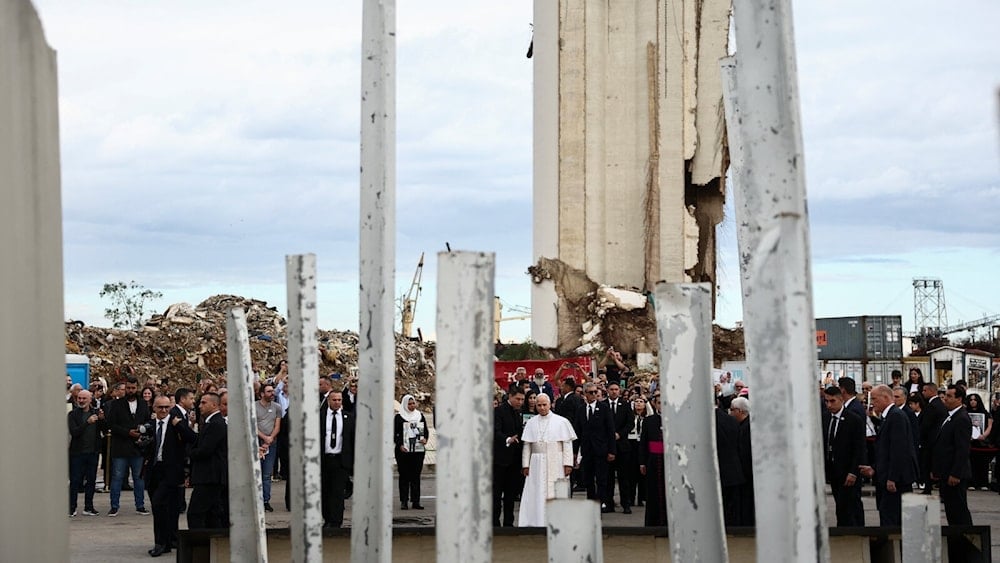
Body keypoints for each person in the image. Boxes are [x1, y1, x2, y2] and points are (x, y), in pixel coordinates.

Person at [145, 395, 196, 557]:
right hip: (154, 470)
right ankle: (168, 540)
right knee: (161, 507)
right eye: (160, 407)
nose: (164, 410)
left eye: (167, 407)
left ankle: (161, 542)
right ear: (154, 408)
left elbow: (192, 438)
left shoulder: (176, 424)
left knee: (160, 504)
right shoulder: (150, 424)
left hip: (171, 472)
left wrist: (179, 425)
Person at [860, 385, 918, 526]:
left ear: (885, 397)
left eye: (874, 399)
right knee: (887, 514)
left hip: (895, 480)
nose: (872, 403)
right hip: (886, 476)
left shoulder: (896, 416)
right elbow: (885, 450)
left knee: (892, 518)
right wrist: (874, 468)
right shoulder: (888, 416)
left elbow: (898, 450)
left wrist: (892, 478)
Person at [518, 394, 577, 526]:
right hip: (536, 463)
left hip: (556, 461)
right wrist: (525, 465)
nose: (542, 408)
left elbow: (567, 444)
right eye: (539, 405)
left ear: (550, 405)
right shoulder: (531, 423)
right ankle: (536, 521)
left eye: (544, 405)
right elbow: (527, 445)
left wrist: (568, 464)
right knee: (536, 491)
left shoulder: (561, 421)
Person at [106, 377, 151, 517]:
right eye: (128, 388)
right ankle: (114, 506)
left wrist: (142, 430)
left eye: (133, 388)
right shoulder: (117, 404)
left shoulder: (143, 404)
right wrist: (128, 432)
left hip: (137, 447)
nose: (131, 390)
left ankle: (140, 505)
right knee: (117, 477)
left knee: (139, 478)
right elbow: (111, 424)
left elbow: (148, 421)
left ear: (137, 388)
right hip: (120, 447)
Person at [821, 386, 866, 526]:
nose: (829, 405)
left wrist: (853, 472)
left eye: (832, 401)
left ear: (841, 399)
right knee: (840, 505)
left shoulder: (854, 420)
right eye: (826, 401)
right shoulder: (825, 418)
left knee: (852, 505)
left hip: (848, 471)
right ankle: (842, 529)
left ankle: (857, 530)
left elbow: (859, 448)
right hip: (833, 471)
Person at [932, 385, 973, 525]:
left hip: (954, 474)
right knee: (951, 510)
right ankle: (956, 535)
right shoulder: (950, 416)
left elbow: (962, 449)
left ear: (959, 399)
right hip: (945, 471)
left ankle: (966, 535)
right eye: (945, 395)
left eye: (949, 396)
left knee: (959, 511)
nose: (945, 399)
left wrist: (956, 473)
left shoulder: (961, 418)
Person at [187, 392, 228, 529]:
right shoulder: (210, 422)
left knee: (196, 513)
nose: (200, 406)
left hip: (210, 477)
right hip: (209, 476)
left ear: (214, 405)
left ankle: (199, 540)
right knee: (212, 514)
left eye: (204, 403)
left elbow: (205, 450)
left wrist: (190, 453)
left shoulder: (216, 424)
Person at [574, 382, 616, 513]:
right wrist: (575, 452)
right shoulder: (581, 409)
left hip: (601, 449)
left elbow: (610, 430)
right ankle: (591, 501)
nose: (593, 395)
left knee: (602, 478)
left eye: (595, 392)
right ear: (585, 394)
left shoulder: (604, 408)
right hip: (587, 450)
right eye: (590, 392)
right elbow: (577, 431)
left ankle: (602, 501)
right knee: (588, 478)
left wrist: (612, 450)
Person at [320, 390, 355, 529]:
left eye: (339, 400)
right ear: (329, 400)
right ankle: (327, 518)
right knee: (324, 491)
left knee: (338, 492)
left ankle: (336, 521)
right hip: (324, 459)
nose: (337, 402)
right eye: (334, 400)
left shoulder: (349, 418)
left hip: (341, 461)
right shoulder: (320, 416)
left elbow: (352, 440)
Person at [493, 386, 525, 526]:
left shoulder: (518, 413)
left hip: (514, 461)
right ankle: (494, 523)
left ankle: (508, 523)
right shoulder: (498, 411)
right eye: (518, 399)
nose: (520, 402)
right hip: (499, 460)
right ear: (510, 396)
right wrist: (507, 439)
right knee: (496, 494)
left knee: (510, 495)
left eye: (522, 399)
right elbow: (495, 431)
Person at [68, 390, 102, 517]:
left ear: (90, 399)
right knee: (75, 481)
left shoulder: (95, 413)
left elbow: (104, 429)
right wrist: (87, 423)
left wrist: (102, 419)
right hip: (77, 453)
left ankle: (89, 507)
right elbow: (74, 432)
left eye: (84, 398)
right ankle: (72, 507)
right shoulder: (73, 414)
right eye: (79, 398)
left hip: (92, 452)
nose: (81, 401)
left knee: (91, 480)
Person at [393, 394, 428, 510]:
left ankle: (416, 501)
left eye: (413, 403)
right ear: (404, 404)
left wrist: (425, 439)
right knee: (404, 476)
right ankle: (404, 501)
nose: (412, 406)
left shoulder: (419, 416)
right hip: (403, 452)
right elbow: (395, 433)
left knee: (415, 476)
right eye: (409, 404)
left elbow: (425, 431)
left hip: (417, 452)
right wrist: (400, 445)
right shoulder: (399, 417)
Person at [605, 382, 633, 513]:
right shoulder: (603, 405)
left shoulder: (625, 405)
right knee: (608, 478)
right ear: (607, 390)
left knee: (624, 478)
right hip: (607, 447)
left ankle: (626, 504)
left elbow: (630, 423)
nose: (614, 391)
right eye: (612, 389)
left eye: (616, 389)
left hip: (622, 446)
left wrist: (620, 434)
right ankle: (609, 504)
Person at [639, 391, 666, 526]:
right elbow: (643, 443)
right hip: (653, 461)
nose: (662, 405)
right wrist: (642, 462)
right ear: (655, 404)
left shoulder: (676, 420)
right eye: (659, 403)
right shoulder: (649, 421)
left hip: (669, 462)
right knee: (653, 493)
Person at [255, 383, 282, 512]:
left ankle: (266, 500)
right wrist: (264, 438)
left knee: (266, 474)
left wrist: (270, 438)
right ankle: (256, 499)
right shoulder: (254, 407)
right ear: (262, 394)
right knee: (256, 472)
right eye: (269, 391)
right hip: (257, 441)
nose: (272, 393)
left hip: (271, 443)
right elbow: (252, 425)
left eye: (273, 391)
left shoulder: (277, 407)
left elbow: (277, 425)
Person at [729, 396, 755, 526]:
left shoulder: (746, 428)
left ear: (739, 411)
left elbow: (745, 453)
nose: (730, 413)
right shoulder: (746, 425)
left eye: (732, 410)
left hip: (747, 475)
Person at [919, 382, 948, 493]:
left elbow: (926, 424)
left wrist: (921, 437)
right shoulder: (938, 404)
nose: (923, 393)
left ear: (931, 391)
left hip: (931, 441)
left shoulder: (933, 405)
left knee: (927, 464)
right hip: (936, 440)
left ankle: (928, 487)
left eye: (925, 390)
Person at [964, 392, 993, 490]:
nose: (973, 402)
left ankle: (983, 483)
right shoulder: (965, 412)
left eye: (975, 400)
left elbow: (990, 425)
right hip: (970, 442)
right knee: (971, 463)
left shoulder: (985, 413)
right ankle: (971, 482)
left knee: (983, 463)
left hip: (982, 443)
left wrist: (984, 435)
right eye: (971, 400)